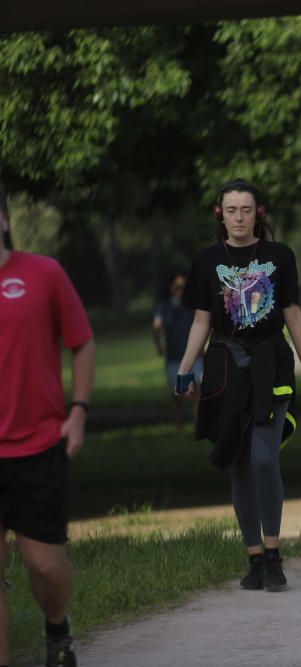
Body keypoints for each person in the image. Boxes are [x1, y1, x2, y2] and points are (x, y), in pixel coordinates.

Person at [176, 179, 301, 592]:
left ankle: (274, 554)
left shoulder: (279, 256)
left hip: (270, 365)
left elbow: (292, 313)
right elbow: (201, 322)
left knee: (261, 459)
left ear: (260, 213)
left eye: (247, 210)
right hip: (223, 368)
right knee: (236, 460)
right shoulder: (205, 262)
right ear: (221, 214)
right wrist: (185, 370)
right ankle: (253, 556)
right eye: (232, 210)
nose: (240, 217)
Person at [0, 178, 95, 667]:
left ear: (3, 219)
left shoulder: (43, 274)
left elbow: (82, 341)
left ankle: (57, 629)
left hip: (38, 444)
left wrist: (77, 413)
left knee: (45, 564)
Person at [153, 273, 203, 431]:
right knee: (179, 395)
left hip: (195, 357)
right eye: (179, 286)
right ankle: (179, 426)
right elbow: (156, 327)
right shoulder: (164, 308)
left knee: (197, 391)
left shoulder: (193, 306)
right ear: (172, 288)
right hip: (175, 357)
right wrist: (159, 346)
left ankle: (198, 425)